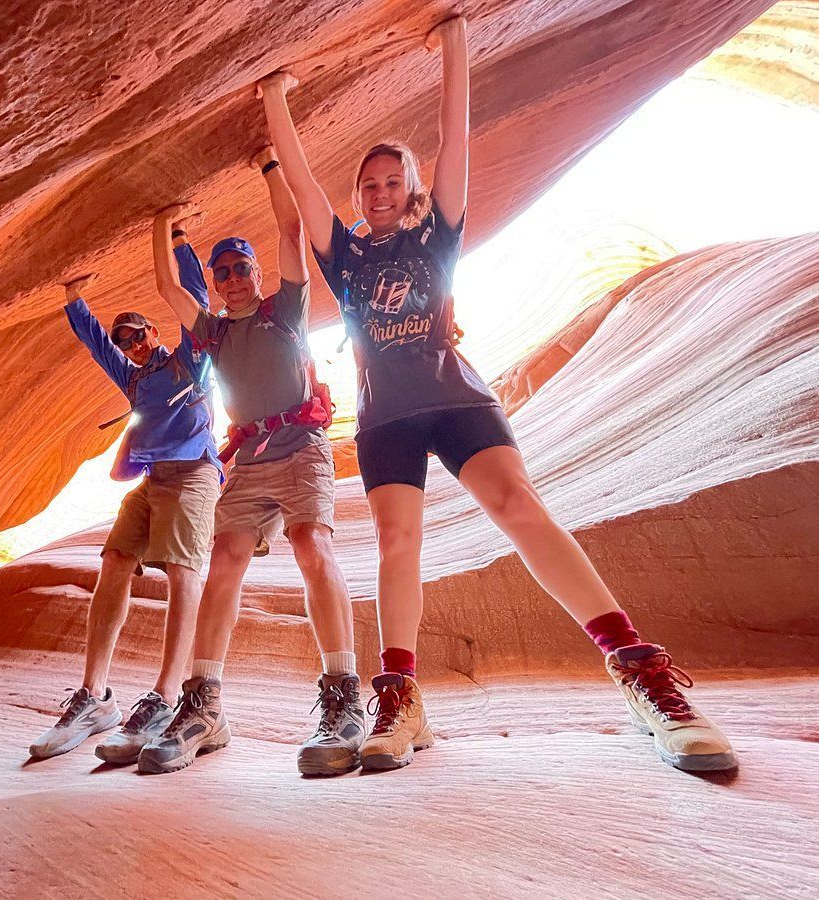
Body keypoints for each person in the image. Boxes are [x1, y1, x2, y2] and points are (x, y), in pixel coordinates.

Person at [257, 15, 736, 773]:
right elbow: (304, 183)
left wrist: (452, 45)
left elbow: (455, 140)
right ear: (359, 196)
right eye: (369, 184)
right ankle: (401, 699)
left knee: (518, 506)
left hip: (458, 399)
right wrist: (275, 99)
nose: (380, 192)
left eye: (392, 182)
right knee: (396, 542)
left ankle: (641, 673)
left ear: (409, 189)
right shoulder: (341, 255)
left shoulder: (435, 235)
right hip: (387, 416)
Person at [137, 148, 365, 776]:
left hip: (302, 449)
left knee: (310, 545)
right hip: (252, 460)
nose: (233, 279)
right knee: (225, 561)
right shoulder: (211, 331)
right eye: (223, 273)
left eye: (241, 268)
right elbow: (165, 287)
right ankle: (204, 704)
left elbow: (292, 231)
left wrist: (269, 167)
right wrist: (162, 221)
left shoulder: (284, 311)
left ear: (257, 273)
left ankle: (345, 696)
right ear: (214, 283)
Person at [27, 269, 221, 765]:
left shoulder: (188, 361)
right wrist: (75, 300)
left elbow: (194, 300)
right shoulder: (131, 375)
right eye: (124, 340)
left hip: (194, 474)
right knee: (114, 559)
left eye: (137, 334)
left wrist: (179, 244)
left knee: (182, 572)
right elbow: (96, 345)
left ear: (154, 332)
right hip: (153, 479)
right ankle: (94, 698)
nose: (130, 345)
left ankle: (165, 697)